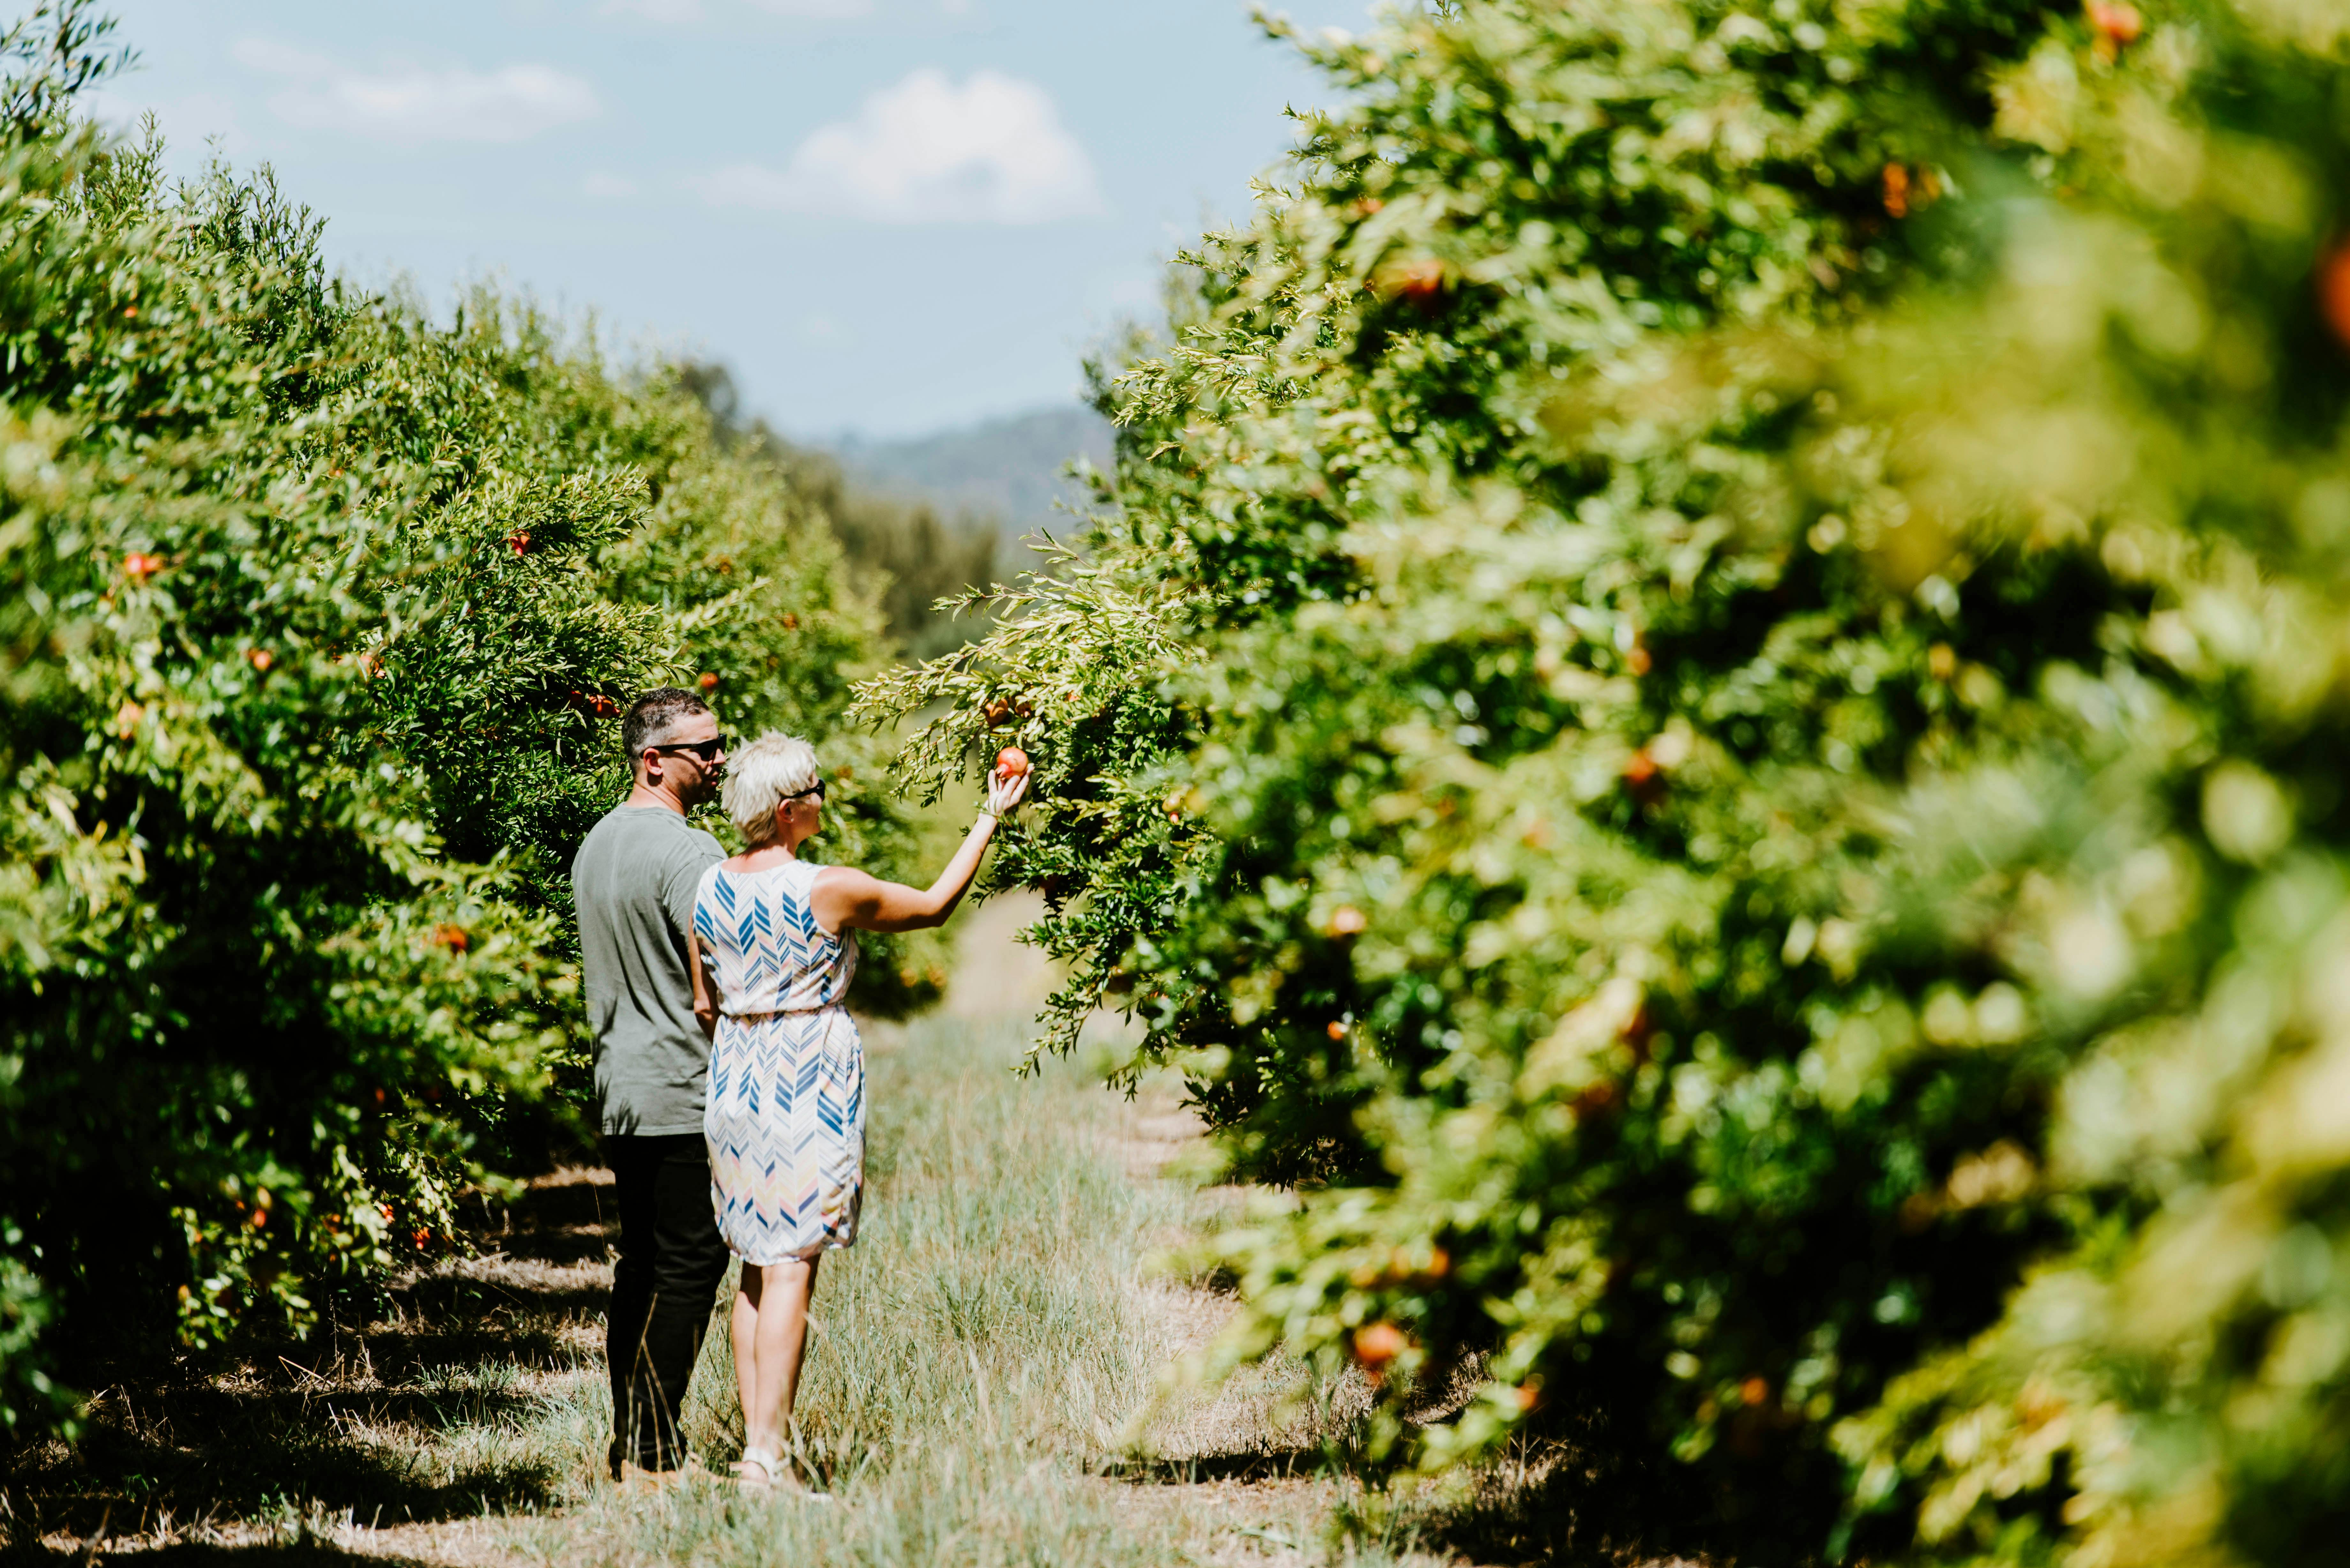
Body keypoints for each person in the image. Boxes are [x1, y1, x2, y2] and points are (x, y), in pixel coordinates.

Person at [689, 732, 1029, 1492]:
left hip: (735, 1077)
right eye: (814, 787)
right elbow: (935, 906)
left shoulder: (707, 887)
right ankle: (767, 1459)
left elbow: (704, 1001)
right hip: (803, 1079)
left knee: (754, 1262)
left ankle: (756, 1447)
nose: (822, 796)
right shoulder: (828, 887)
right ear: (787, 811)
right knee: (791, 1268)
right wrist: (990, 816)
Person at [570, 688, 733, 1485]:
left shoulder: (598, 840)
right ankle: (653, 1448)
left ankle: (626, 1440)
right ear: (653, 759)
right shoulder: (689, 852)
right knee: (691, 1263)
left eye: (719, 743)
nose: (718, 758)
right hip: (680, 1082)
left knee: (639, 1263)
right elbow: (721, 975)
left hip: (618, 1085)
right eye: (703, 748)